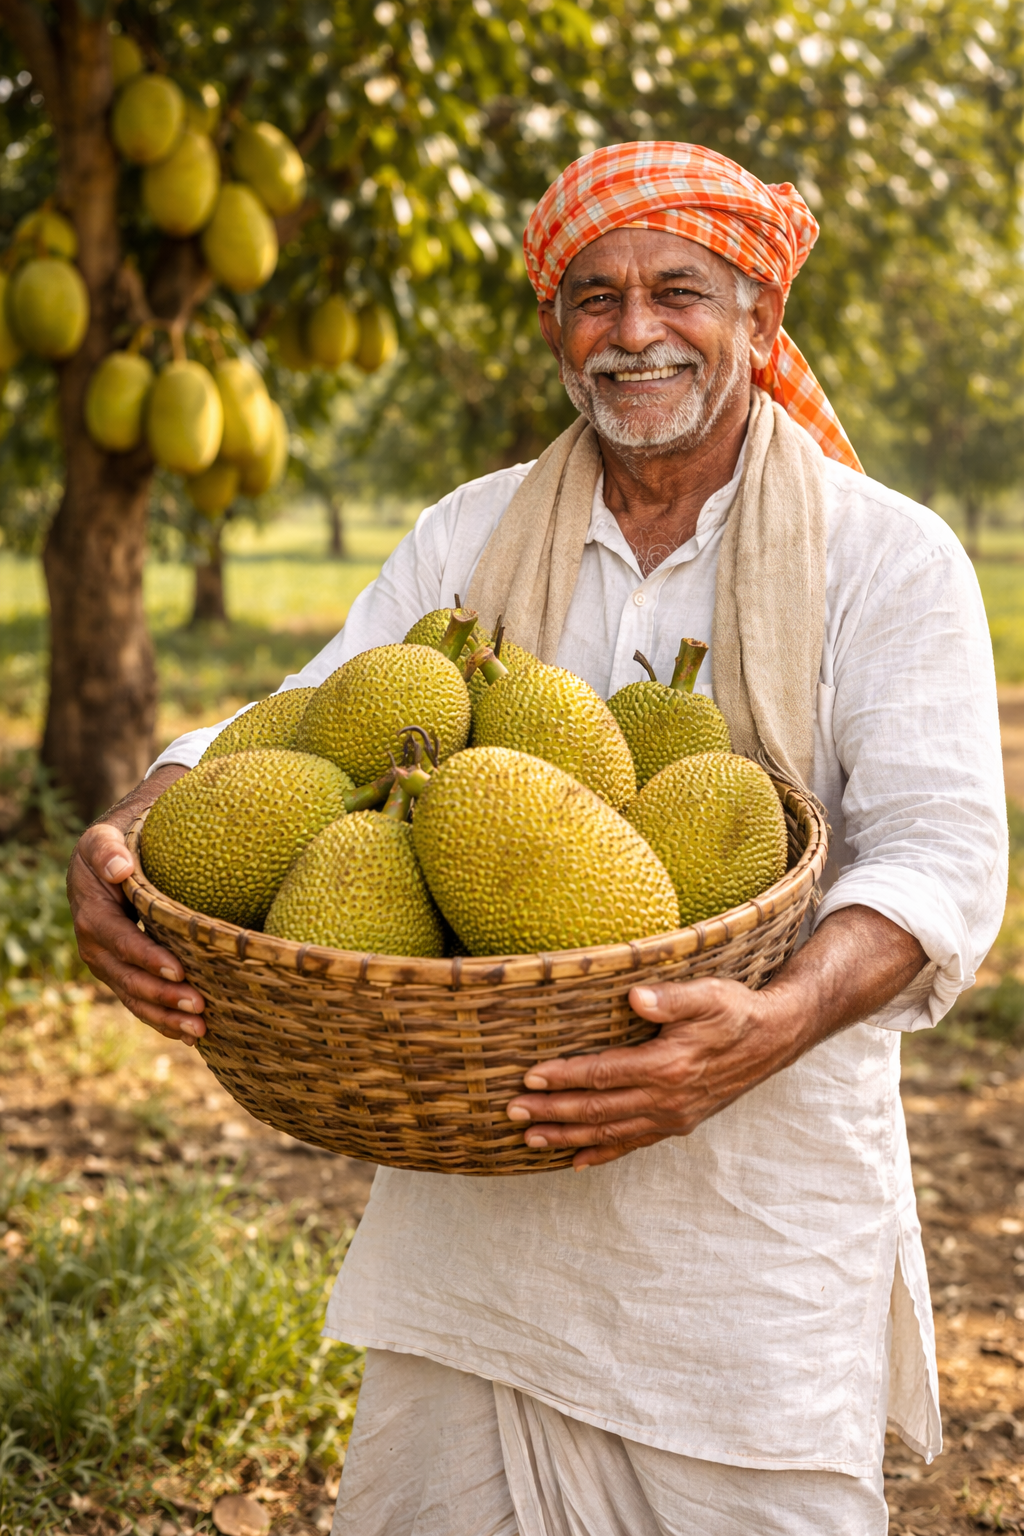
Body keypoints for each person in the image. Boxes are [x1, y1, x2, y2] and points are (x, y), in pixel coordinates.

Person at [69, 143, 1006, 1535]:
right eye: (591, 297)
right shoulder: (475, 532)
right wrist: (141, 826)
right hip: (476, 1236)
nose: (633, 331)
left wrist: (771, 1018)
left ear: (758, 316)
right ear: (556, 330)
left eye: (677, 290)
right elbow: (305, 720)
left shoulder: (888, 556)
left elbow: (937, 858)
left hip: (746, 1240)